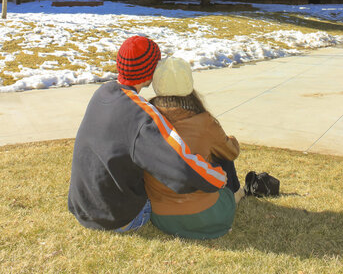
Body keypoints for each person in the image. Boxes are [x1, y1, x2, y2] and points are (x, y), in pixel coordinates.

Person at [68, 35, 226, 232]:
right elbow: (181, 169)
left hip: (82, 208)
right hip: (118, 218)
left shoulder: (103, 92)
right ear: (151, 73)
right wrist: (218, 177)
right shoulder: (141, 115)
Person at [144, 57, 244, 240]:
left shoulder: (144, 118)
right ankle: (239, 193)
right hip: (208, 217)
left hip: (161, 217)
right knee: (221, 156)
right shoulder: (204, 121)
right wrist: (229, 139)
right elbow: (232, 152)